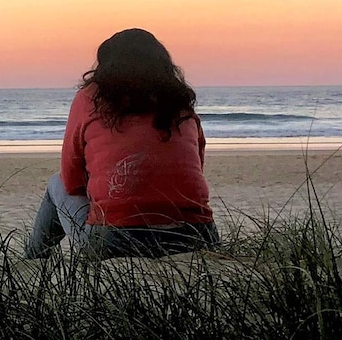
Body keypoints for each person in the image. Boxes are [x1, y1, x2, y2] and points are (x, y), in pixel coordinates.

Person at [25, 28, 219, 260]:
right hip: (198, 235)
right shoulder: (179, 102)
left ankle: (34, 260)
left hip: (117, 240)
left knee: (57, 182)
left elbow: (71, 178)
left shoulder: (91, 98)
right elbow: (193, 167)